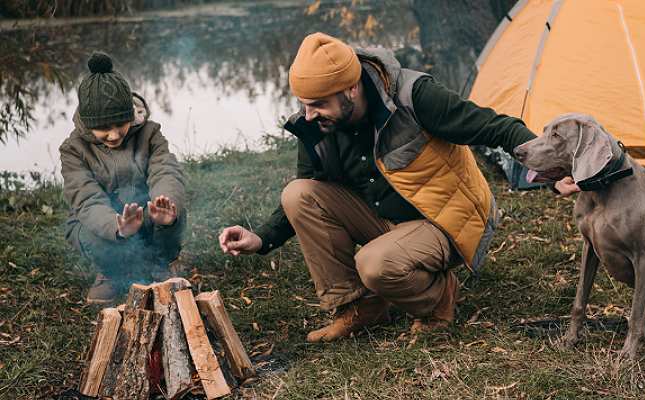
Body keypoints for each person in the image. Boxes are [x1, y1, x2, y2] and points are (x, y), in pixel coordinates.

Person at [219, 33, 579, 342]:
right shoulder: (317, 124)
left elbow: (495, 127)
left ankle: (439, 301)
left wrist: (551, 169)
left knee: (373, 263)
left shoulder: (415, 95)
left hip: (442, 220)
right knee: (298, 193)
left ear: (350, 88)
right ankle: (360, 307)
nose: (309, 114)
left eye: (317, 104)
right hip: (384, 221)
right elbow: (311, 189)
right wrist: (262, 238)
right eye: (303, 104)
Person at [60, 52, 187, 304]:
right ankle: (110, 273)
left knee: (172, 214)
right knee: (92, 232)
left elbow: (165, 169)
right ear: (87, 123)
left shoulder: (150, 133)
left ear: (130, 114)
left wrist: (167, 203)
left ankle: (160, 266)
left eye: (121, 123)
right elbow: (85, 198)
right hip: (106, 221)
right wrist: (115, 226)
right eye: (104, 128)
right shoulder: (73, 149)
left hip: (143, 213)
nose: (114, 134)